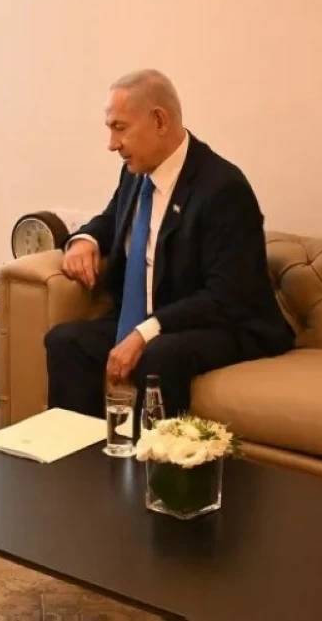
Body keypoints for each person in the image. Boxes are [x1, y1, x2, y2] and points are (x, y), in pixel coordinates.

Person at [45, 70, 294, 425]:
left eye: (120, 128)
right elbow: (113, 218)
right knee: (66, 341)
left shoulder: (223, 188)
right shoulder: (136, 172)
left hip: (222, 325)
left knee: (159, 356)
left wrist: (146, 331)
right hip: (151, 318)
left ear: (159, 121)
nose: (112, 144)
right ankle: (79, 456)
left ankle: (152, 458)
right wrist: (85, 240)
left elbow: (226, 295)